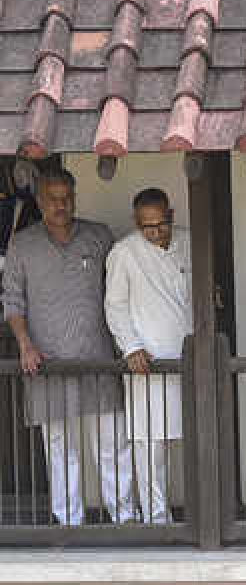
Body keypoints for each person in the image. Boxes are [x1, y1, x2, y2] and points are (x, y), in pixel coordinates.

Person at [1, 167, 135, 525]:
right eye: (52, 199)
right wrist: (26, 345)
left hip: (99, 359)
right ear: (39, 200)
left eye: (67, 198)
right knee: (60, 449)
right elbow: (12, 300)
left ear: (74, 197)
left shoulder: (99, 236)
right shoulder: (22, 244)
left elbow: (122, 292)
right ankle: (69, 523)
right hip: (48, 363)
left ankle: (125, 519)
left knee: (112, 444)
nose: (61, 206)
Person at [105, 188, 191, 524]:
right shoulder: (124, 252)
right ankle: (156, 516)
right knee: (150, 443)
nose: (154, 232)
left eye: (160, 224)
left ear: (171, 215)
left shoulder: (189, 241)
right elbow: (115, 306)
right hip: (147, 362)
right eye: (147, 227)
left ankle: (200, 512)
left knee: (195, 437)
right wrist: (131, 347)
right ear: (136, 223)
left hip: (187, 359)